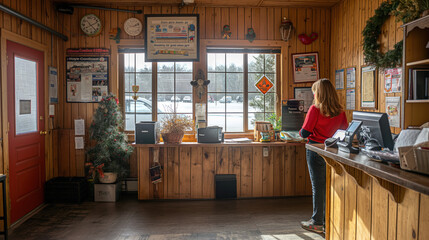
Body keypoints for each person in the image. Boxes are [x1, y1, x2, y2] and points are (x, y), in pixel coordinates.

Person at [299, 79, 348, 234]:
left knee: (318, 187)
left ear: (318, 93)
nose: (313, 94)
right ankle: (329, 220)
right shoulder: (340, 111)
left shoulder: (315, 109)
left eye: (315, 91)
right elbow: (344, 132)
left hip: (315, 150)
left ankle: (317, 221)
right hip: (333, 152)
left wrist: (299, 132)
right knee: (330, 186)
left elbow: (305, 132)